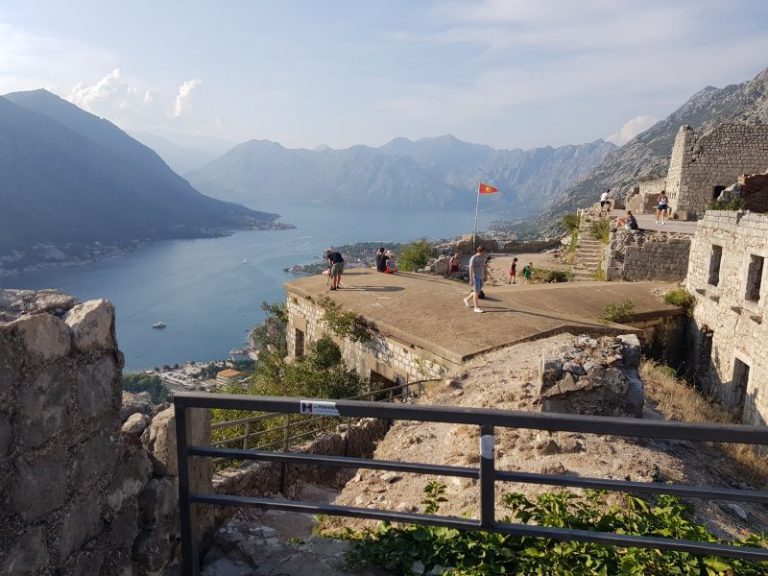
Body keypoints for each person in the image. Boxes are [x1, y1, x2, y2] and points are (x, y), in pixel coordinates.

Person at [462, 246, 488, 313]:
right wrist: (471, 279)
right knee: (476, 292)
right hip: (475, 277)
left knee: (478, 291)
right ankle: (476, 307)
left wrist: (485, 275)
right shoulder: (473, 258)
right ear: (481, 251)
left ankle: (466, 299)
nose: (485, 253)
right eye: (484, 252)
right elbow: (470, 269)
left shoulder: (483, 257)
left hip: (481, 276)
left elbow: (484, 266)